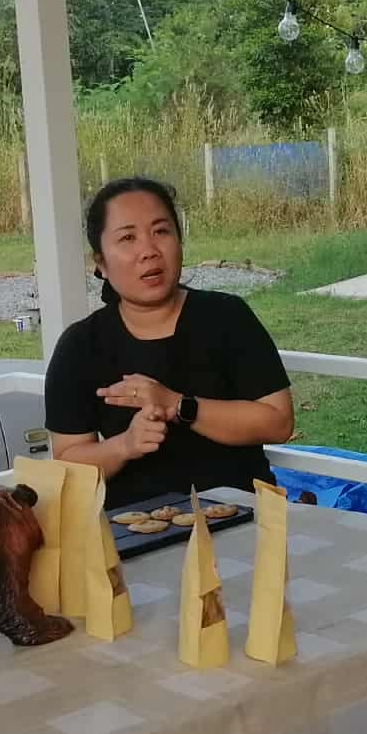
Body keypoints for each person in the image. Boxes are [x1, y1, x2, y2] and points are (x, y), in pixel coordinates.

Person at [45, 177, 294, 508]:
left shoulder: (226, 317)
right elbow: (68, 463)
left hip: (241, 518)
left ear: (179, 241)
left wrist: (178, 405)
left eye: (160, 231)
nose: (149, 251)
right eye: (128, 238)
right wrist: (124, 445)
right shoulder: (80, 347)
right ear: (101, 263)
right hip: (133, 528)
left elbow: (278, 422)